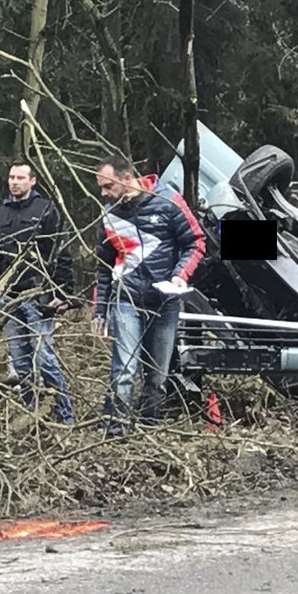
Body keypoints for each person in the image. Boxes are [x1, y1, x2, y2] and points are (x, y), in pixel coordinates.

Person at [92, 154, 206, 435]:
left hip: (164, 301)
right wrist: (100, 308)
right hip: (126, 298)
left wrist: (180, 274)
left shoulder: (168, 200)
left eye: (108, 187)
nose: (104, 194)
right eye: (101, 188)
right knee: (125, 368)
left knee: (157, 374)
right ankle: (114, 430)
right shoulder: (109, 213)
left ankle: (148, 428)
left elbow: (196, 241)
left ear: (127, 178)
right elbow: (104, 266)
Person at [0, 159, 75, 424]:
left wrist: (63, 293)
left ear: (32, 181)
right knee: (21, 363)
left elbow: (61, 253)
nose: (15, 182)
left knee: (44, 358)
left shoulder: (46, 210)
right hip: (9, 298)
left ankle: (65, 415)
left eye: (20, 178)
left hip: (39, 295)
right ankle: (32, 415)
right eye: (12, 177)